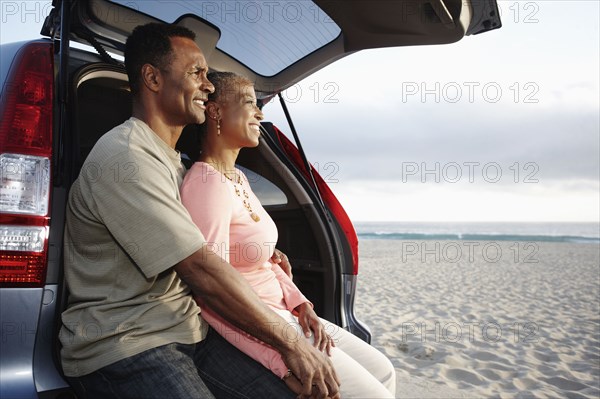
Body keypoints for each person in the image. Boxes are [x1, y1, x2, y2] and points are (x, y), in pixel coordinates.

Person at [60, 23, 340, 399]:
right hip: (128, 343)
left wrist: (261, 255)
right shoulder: (125, 156)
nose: (208, 86)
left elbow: (211, 246)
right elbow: (201, 269)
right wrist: (292, 343)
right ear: (152, 78)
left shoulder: (176, 165)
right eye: (197, 73)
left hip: (190, 329)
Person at [180, 71, 396, 398]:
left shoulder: (237, 178)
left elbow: (265, 262)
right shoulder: (205, 183)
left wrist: (301, 304)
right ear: (216, 111)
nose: (260, 113)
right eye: (249, 103)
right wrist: (282, 361)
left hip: (287, 315)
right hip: (264, 327)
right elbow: (210, 294)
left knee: (384, 370)